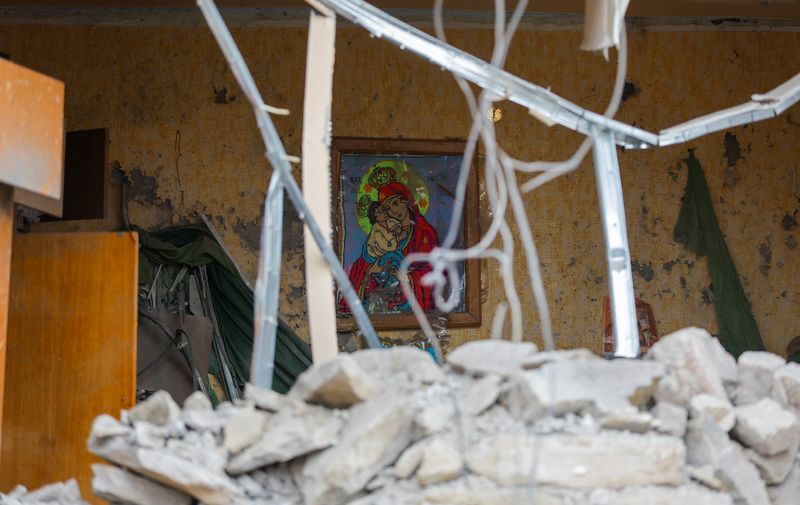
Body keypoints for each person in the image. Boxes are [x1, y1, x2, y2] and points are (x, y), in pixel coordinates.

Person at [344, 180, 440, 313]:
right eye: (388, 208)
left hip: (409, 296)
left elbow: (435, 268)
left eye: (395, 203)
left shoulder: (424, 232)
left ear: (405, 200)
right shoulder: (385, 230)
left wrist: (408, 277)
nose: (394, 211)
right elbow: (365, 266)